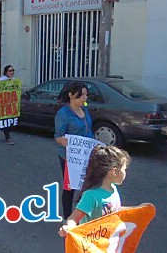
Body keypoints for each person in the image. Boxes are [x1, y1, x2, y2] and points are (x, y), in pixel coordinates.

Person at [59, 145, 135, 237]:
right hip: (91, 246)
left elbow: (114, 210)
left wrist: (139, 209)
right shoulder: (91, 195)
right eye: (124, 169)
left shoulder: (113, 189)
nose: (125, 172)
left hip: (108, 243)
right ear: (114, 171)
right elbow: (74, 218)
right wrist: (68, 228)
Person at [54, 82, 94, 220]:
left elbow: (89, 131)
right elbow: (57, 136)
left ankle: (82, 215)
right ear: (71, 95)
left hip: (87, 155)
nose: (84, 98)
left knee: (87, 186)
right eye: (81, 95)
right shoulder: (63, 114)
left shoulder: (85, 110)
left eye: (85, 95)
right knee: (70, 188)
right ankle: (67, 219)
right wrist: (63, 141)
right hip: (69, 157)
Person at [0, 65, 16, 145]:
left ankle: (6, 132)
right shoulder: (2, 80)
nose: (12, 72)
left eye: (12, 70)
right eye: (10, 70)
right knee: (6, 120)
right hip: (4, 103)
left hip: (12, 103)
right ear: (6, 72)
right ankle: (7, 137)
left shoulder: (15, 80)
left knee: (11, 120)